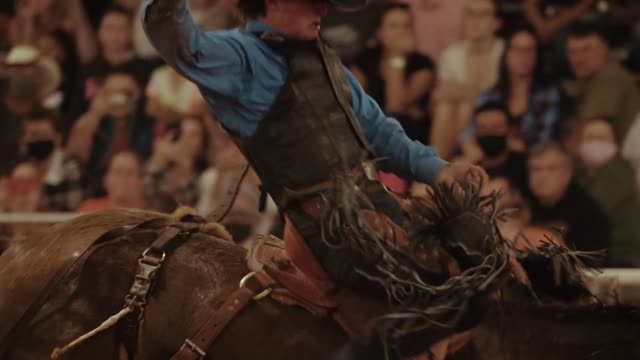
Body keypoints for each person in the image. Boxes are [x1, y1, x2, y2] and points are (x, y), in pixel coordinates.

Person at [142, 0, 487, 357]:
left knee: (476, 252)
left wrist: (440, 170)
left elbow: (379, 131)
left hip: (372, 203)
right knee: (430, 286)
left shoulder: (322, 56)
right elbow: (179, 40)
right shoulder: (240, 58)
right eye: (311, 3)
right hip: (324, 227)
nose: (323, 11)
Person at [461, 23, 566, 158]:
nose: (523, 56)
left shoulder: (549, 93)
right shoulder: (491, 94)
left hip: (530, 161)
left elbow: (544, 143)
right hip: (490, 159)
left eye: (529, 50)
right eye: (517, 50)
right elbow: (469, 134)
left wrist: (514, 147)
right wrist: (469, 144)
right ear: (506, 54)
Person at [429, 0, 505, 159]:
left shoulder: (504, 51)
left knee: (464, 105)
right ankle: (440, 164)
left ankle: (438, 166)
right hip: (457, 120)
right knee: (445, 108)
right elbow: (440, 95)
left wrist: (465, 92)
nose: (475, 20)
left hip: (494, 117)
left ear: (497, 22)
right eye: (470, 14)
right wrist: (473, 92)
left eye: (482, 14)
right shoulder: (452, 54)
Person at [563, 20, 640, 154]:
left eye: (586, 49)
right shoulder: (589, 78)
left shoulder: (609, 76)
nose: (578, 59)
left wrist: (560, 161)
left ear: (604, 49)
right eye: (572, 52)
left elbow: (586, 128)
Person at [575, 116, 640, 267]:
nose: (595, 143)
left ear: (616, 144)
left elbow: (590, 211)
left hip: (621, 256)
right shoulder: (577, 172)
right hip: (590, 252)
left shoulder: (621, 173)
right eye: (590, 138)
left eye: (602, 138)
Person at [526, 141, 611, 257]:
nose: (542, 176)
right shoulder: (520, 202)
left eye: (551, 169)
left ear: (568, 173)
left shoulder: (588, 214)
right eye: (536, 169)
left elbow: (591, 265)